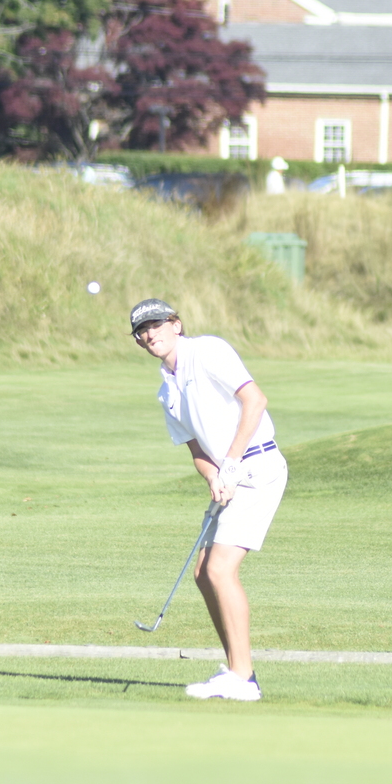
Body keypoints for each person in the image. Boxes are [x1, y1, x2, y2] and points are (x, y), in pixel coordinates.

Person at [129, 298, 289, 701]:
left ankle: (242, 678)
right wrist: (215, 475)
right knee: (204, 573)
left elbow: (255, 400)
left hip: (256, 466)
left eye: (157, 325)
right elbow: (196, 449)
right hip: (231, 475)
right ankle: (239, 670)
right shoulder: (166, 391)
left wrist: (231, 464)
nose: (150, 334)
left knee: (220, 570)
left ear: (176, 325)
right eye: (141, 331)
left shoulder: (208, 351)